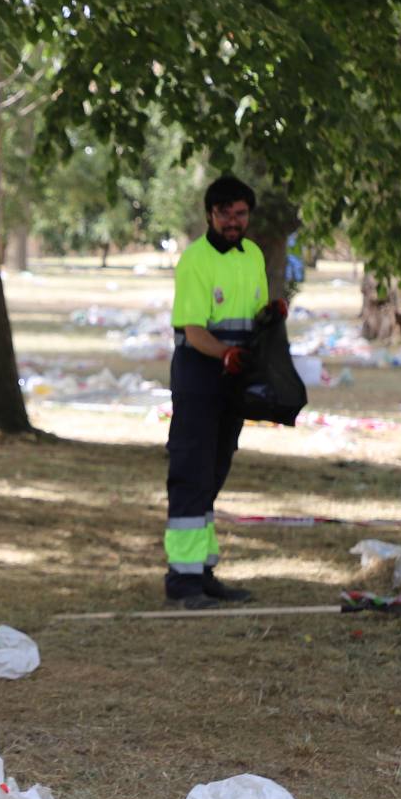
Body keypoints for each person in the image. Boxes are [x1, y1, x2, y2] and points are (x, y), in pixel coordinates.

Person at [163, 175, 284, 609]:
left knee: (213, 471)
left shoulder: (252, 254)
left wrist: (272, 313)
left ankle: (203, 571)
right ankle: (183, 582)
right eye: (224, 214)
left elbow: (251, 315)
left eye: (240, 214)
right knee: (191, 472)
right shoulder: (195, 261)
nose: (233, 222)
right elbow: (194, 330)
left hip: (234, 374)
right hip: (200, 371)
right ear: (210, 216)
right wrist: (225, 355)